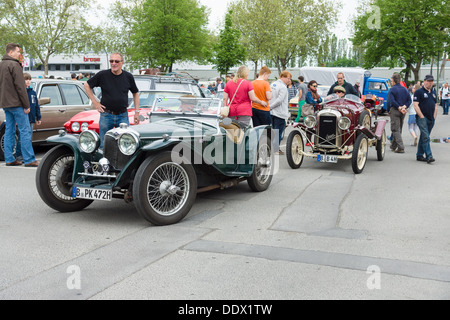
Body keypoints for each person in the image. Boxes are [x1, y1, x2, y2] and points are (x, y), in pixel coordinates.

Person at [84, 52, 139, 148]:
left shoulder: (128, 76)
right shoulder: (102, 75)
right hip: (106, 115)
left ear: (122, 63)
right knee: (104, 145)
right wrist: (95, 102)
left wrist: (137, 112)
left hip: (123, 116)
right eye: (111, 61)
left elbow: (135, 93)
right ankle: (104, 163)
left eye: (116, 61)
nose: (114, 63)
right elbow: (86, 85)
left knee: (125, 145)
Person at [0, 43, 39, 167]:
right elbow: (20, 87)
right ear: (10, 52)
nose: (19, 54)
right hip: (17, 103)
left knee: (9, 131)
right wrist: (26, 105)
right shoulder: (14, 65)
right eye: (17, 52)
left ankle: (9, 159)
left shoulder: (1, 65)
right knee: (25, 130)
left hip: (5, 104)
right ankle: (29, 159)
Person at [15, 73, 42, 161]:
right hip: (22, 118)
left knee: (28, 138)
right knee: (21, 138)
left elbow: (36, 106)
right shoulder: (20, 92)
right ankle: (19, 155)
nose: (28, 81)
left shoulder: (33, 93)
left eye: (29, 79)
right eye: (26, 79)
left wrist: (38, 117)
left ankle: (26, 155)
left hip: (31, 119)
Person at [414, 75, 438, 164]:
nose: (430, 83)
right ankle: (429, 156)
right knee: (426, 136)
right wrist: (421, 116)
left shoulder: (433, 92)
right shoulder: (419, 92)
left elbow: (436, 106)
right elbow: (415, 105)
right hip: (422, 118)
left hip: (431, 119)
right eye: (428, 81)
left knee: (424, 136)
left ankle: (419, 155)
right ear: (424, 81)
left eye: (431, 81)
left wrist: (434, 117)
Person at [387, 74, 412, 154]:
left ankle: (401, 147)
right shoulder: (405, 89)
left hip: (395, 110)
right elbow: (409, 100)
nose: (391, 82)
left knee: (395, 129)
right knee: (399, 128)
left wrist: (398, 107)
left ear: (394, 81)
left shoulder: (392, 89)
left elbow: (392, 101)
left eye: (391, 81)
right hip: (403, 111)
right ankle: (393, 146)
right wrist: (404, 107)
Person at [269, 71, 292, 155]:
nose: (289, 80)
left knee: (274, 131)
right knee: (278, 132)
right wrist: (270, 106)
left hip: (272, 112)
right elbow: (279, 100)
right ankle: (276, 150)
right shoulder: (283, 87)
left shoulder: (272, 84)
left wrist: (270, 107)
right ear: (283, 77)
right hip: (280, 112)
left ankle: (272, 148)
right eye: (288, 78)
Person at [305, 80, 322, 146]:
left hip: (315, 110)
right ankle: (308, 141)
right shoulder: (309, 93)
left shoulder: (315, 92)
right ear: (310, 86)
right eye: (314, 86)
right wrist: (316, 101)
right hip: (310, 110)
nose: (315, 87)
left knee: (313, 126)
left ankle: (310, 141)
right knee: (310, 126)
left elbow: (320, 100)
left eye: (316, 86)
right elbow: (311, 101)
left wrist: (317, 100)